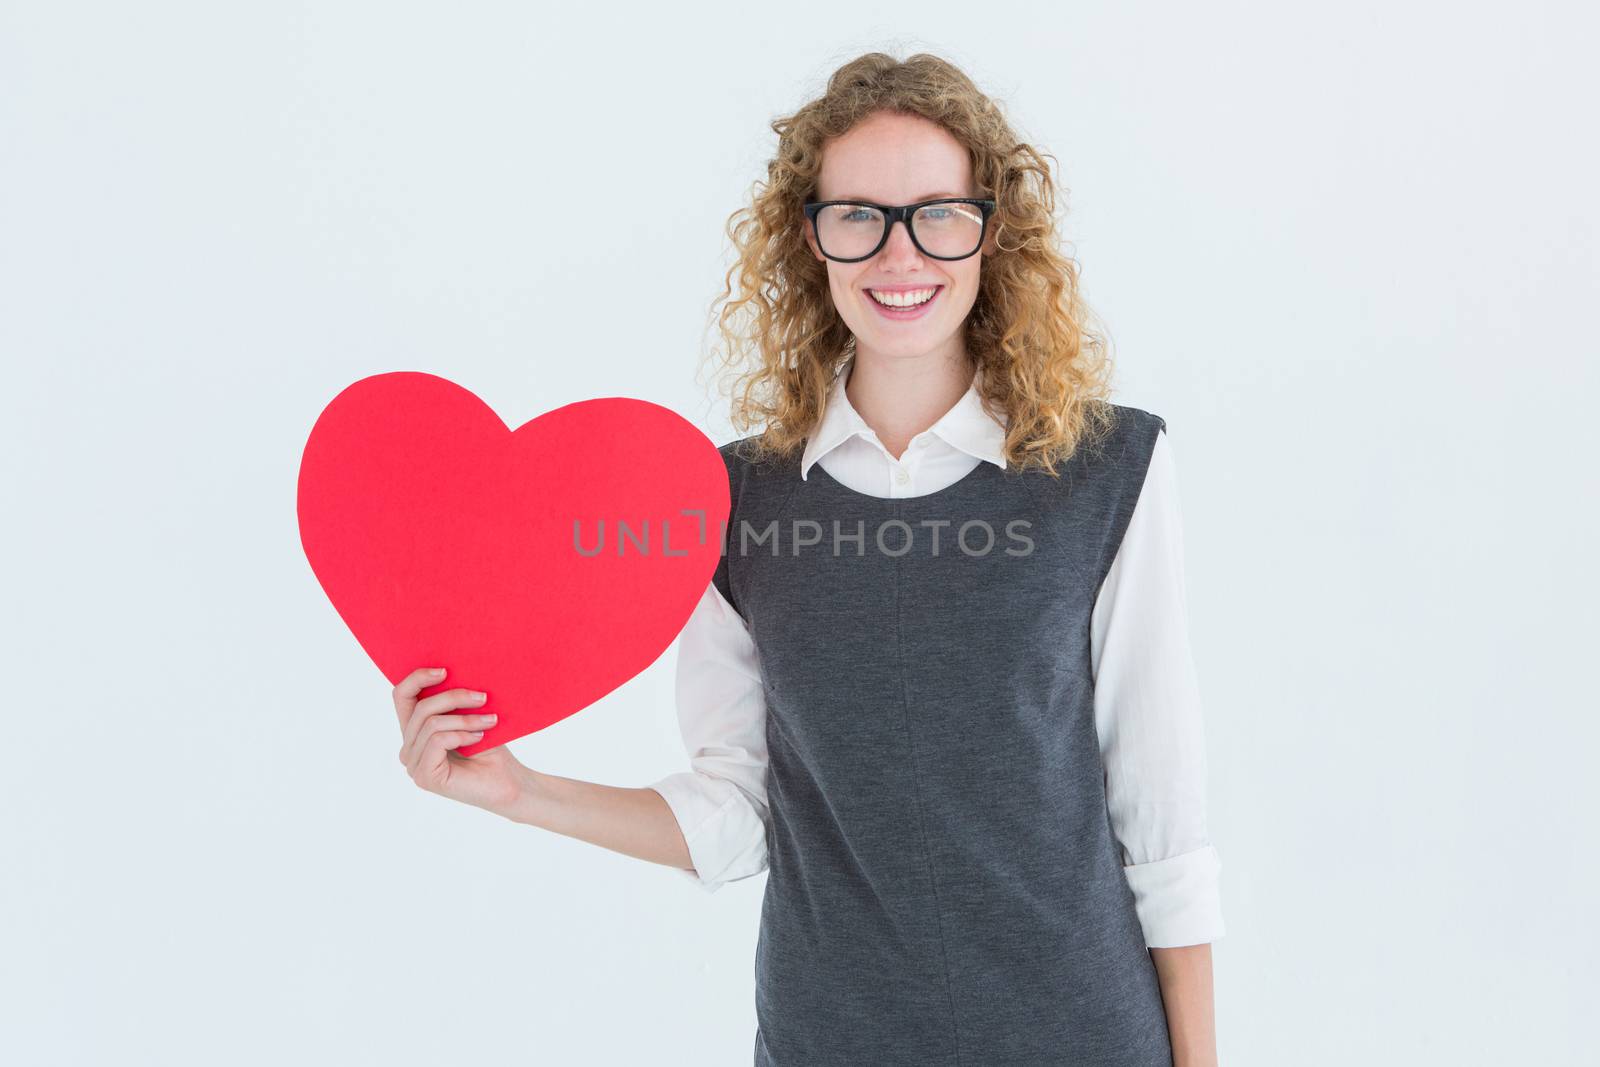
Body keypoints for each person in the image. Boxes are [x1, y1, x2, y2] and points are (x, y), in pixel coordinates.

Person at [392, 51, 1223, 1067]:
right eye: (858, 215)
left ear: (990, 233)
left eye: (937, 213)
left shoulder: (1107, 472)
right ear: (812, 238)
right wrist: (517, 789)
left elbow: (1163, 821)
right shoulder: (731, 503)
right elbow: (739, 812)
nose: (898, 253)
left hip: (1079, 1034)